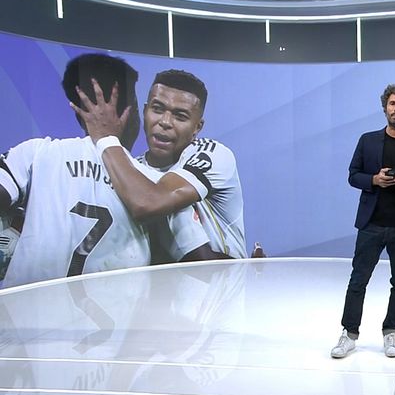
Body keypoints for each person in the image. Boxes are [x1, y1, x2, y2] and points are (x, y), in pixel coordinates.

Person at [0, 54, 215, 288]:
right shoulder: (157, 186)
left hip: (28, 310)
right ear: (131, 112)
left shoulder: (36, 154)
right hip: (116, 312)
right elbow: (205, 268)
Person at [74, 69, 247, 259]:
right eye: (157, 109)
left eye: (180, 116)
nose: (165, 122)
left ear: (197, 127)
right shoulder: (133, 172)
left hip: (225, 278)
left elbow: (148, 202)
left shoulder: (213, 154)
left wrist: (106, 138)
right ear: (145, 111)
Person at [330, 84, 395, 359]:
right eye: (392, 104)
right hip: (371, 224)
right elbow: (353, 175)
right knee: (358, 280)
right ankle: (349, 334)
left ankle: (391, 333)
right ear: (385, 108)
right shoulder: (368, 141)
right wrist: (374, 179)